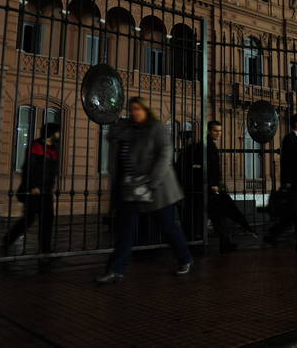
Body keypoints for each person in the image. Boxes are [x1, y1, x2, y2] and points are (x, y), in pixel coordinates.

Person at [97, 97, 193, 283]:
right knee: (125, 231)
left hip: (156, 188)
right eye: (132, 109)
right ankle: (115, 270)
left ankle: (185, 258)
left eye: (138, 109)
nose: (134, 112)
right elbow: (113, 142)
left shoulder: (156, 128)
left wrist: (152, 182)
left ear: (146, 110)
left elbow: (165, 155)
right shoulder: (129, 130)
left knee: (168, 227)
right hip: (131, 189)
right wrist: (119, 127)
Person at [179, 120, 255, 252]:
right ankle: (218, 242)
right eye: (216, 130)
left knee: (215, 214)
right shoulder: (208, 146)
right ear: (208, 131)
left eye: (220, 131)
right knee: (213, 214)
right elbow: (210, 168)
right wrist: (214, 184)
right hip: (208, 187)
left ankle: (223, 241)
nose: (219, 133)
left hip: (203, 187)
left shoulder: (206, 145)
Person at [4, 123, 61, 255]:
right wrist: (33, 186)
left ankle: (45, 250)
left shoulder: (53, 149)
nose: (59, 135)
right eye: (57, 132)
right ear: (51, 133)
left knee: (47, 221)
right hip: (35, 191)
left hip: (46, 191)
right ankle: (8, 240)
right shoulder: (36, 146)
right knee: (28, 220)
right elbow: (29, 167)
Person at [265, 113, 297, 244]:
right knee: (295, 213)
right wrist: (287, 182)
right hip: (293, 182)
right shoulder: (289, 139)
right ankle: (275, 234)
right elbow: (287, 162)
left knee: (296, 213)